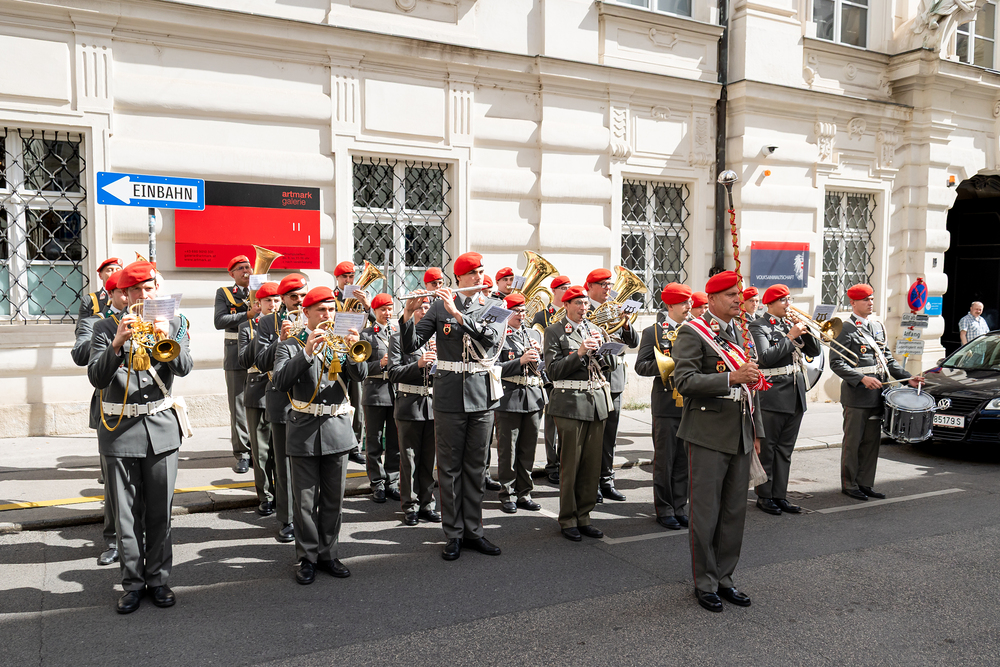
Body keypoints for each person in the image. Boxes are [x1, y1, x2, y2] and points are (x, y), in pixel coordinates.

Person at [88, 260, 193, 614]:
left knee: (160, 512)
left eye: (149, 288)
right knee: (126, 516)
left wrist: (165, 335)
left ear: (157, 289)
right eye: (136, 290)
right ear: (125, 294)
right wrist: (117, 343)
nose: (143, 295)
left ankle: (159, 580)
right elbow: (97, 378)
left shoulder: (176, 322)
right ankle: (132, 584)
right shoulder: (105, 327)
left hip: (161, 429)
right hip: (119, 432)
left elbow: (185, 367)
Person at [400, 252, 504, 561]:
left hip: (481, 396)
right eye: (472, 273)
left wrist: (457, 315)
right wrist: (407, 315)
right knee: (449, 468)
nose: (478, 277)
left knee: (476, 467)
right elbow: (411, 344)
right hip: (448, 397)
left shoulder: (493, 305)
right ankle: (454, 533)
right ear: (458, 278)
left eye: (480, 272)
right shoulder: (437, 306)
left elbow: (490, 338)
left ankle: (474, 530)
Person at [673, 270, 764, 613]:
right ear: (711, 299)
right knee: (706, 513)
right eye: (730, 295)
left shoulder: (741, 331)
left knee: (734, 512)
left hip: (740, 431)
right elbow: (684, 381)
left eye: (739, 294)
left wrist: (757, 431)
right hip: (707, 433)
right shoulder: (693, 331)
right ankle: (706, 582)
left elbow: (752, 385)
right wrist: (730, 377)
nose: (738, 300)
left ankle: (725, 578)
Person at [271, 286, 367, 584]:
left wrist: (354, 351)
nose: (327, 315)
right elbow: (280, 381)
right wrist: (307, 352)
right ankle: (307, 557)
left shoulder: (341, 342)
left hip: (337, 429)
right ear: (306, 313)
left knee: (333, 499)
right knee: (304, 502)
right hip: (304, 429)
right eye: (321, 310)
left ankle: (329, 553)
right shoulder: (290, 345)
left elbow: (360, 376)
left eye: (331, 309)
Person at [830, 284, 923, 501]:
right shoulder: (844, 329)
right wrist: (861, 378)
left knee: (871, 442)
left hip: (878, 395)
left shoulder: (877, 327)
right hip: (857, 396)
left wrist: (907, 378)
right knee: (853, 442)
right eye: (865, 300)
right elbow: (836, 363)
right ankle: (850, 484)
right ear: (853, 303)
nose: (870, 303)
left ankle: (865, 483)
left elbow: (887, 359)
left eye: (871, 299)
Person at [544, 285, 614, 541]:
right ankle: (568, 519)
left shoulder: (595, 329)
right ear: (566, 305)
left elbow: (609, 366)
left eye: (585, 304)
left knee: (591, 465)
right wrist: (580, 352)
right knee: (571, 465)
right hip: (570, 404)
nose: (584, 308)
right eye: (578, 303)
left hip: (596, 402)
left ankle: (584, 516)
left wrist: (605, 350)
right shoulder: (554, 331)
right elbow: (553, 371)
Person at [748, 284, 821, 516]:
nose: (788, 305)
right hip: (773, 394)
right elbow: (766, 358)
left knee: (785, 450)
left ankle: (780, 495)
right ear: (770, 304)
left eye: (790, 299)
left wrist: (806, 330)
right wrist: (791, 336)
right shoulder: (758, 325)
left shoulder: (791, 324)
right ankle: (765, 496)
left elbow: (815, 352)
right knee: (768, 449)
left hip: (795, 393)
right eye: (783, 300)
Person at [73, 269, 128, 566]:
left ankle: (140, 537)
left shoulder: (149, 319)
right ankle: (114, 541)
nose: (130, 297)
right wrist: (108, 336)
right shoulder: (95, 321)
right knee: (113, 485)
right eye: (123, 292)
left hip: (143, 408)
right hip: (110, 408)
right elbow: (80, 356)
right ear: (111, 294)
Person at [254, 273, 309, 544]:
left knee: (308, 462)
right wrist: (279, 340)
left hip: (310, 399)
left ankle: (308, 515)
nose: (299, 301)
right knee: (284, 463)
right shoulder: (268, 322)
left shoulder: (315, 317)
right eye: (293, 297)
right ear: (283, 299)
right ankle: (287, 519)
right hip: (282, 399)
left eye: (302, 295)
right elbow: (260, 362)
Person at [634, 282, 692, 530]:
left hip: (690, 403)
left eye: (689, 302)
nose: (688, 306)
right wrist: (668, 365)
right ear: (670, 306)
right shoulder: (654, 332)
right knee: (665, 461)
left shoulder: (695, 329)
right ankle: (665, 508)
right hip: (666, 404)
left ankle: (679, 506)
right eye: (683, 303)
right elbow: (641, 366)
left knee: (684, 461)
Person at [585, 268, 639, 502]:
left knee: (610, 435)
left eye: (609, 284)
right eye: (603, 284)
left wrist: (625, 323)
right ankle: (590, 483)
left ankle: (607, 480)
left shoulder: (616, 309)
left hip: (614, 379)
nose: (608, 288)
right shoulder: (583, 309)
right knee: (592, 435)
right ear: (590, 287)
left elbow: (634, 342)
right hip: (591, 378)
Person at [387, 299, 440, 526]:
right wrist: (418, 364)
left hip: (433, 405)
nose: (424, 311)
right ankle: (410, 505)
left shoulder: (437, 338)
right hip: (409, 404)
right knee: (409, 459)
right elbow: (393, 373)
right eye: (420, 308)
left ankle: (428, 503)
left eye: (428, 308)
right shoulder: (397, 338)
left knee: (429, 459)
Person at [495, 293, 545, 514]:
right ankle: (507, 493)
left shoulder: (533, 333)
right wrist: (520, 361)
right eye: (516, 311)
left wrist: (539, 355)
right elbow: (492, 368)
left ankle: (524, 492)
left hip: (533, 395)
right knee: (508, 450)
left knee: (528, 448)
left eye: (523, 311)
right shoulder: (498, 335)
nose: (521, 315)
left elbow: (544, 365)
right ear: (507, 313)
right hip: (509, 397)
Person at [238, 281, 281, 517]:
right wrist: (262, 332)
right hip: (257, 390)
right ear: (259, 303)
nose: (273, 305)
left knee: (281, 448)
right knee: (261, 449)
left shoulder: (288, 323)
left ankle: (283, 494)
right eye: (268, 301)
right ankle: (265, 495)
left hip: (281, 390)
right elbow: (244, 360)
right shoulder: (247, 327)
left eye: (276, 300)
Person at [213, 255, 253, 473]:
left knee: (261, 404)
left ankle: (259, 450)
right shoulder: (225, 293)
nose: (246, 271)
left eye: (248, 267)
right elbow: (219, 321)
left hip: (260, 353)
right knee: (238, 406)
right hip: (235, 353)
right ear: (232, 274)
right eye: (241, 268)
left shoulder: (261, 290)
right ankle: (243, 453)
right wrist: (248, 314)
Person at [360, 293, 400, 503]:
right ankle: (377, 482)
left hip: (395, 392)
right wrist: (380, 364)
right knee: (374, 441)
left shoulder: (397, 331)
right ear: (374, 311)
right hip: (375, 391)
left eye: (390, 308)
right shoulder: (366, 335)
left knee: (395, 441)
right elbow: (360, 368)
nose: (387, 313)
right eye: (383, 309)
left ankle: (392, 481)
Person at [531, 275, 571, 485]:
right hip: (550, 372)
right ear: (553, 291)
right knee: (551, 422)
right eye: (563, 288)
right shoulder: (542, 315)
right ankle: (552, 464)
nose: (567, 290)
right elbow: (536, 341)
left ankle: (565, 462)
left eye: (569, 287)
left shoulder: (572, 313)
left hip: (570, 370)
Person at [332, 260, 369, 466]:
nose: (348, 280)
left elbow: (372, 325)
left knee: (357, 399)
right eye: (344, 277)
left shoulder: (361, 298)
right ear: (337, 278)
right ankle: (338, 442)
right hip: (334, 352)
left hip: (354, 351)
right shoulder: (330, 297)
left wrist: (366, 305)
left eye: (351, 276)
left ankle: (355, 445)